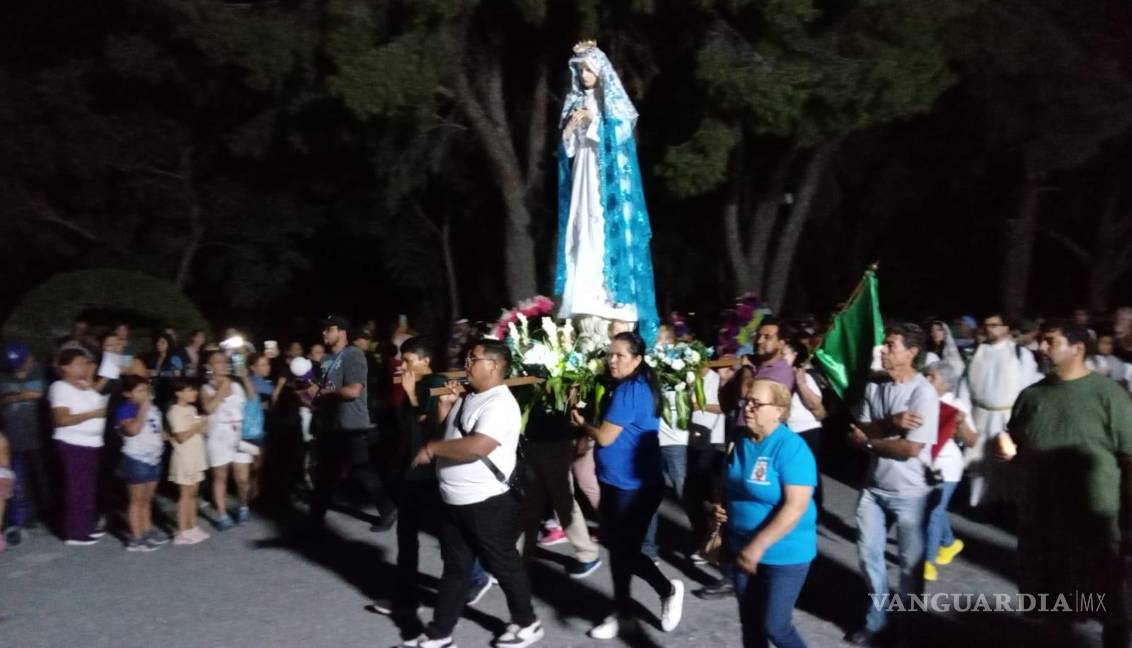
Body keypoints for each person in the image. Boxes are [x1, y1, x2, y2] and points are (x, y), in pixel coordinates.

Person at [997, 321, 1132, 647]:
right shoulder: (1031, 396)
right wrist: (1010, 455)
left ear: (1077, 348)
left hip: (1095, 520)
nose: (1041, 347)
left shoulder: (1108, 394)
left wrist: (1128, 520)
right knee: (1054, 605)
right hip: (1043, 518)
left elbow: (1129, 457)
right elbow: (1020, 447)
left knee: (1109, 602)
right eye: (1041, 340)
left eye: (1050, 341)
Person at [403, 339, 544, 648]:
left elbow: (478, 446)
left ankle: (526, 622)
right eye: (467, 357)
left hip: (487, 502)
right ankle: (440, 633)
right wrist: (444, 408)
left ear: (493, 365)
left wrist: (432, 449)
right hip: (455, 499)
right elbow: (447, 434)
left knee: (504, 564)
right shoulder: (470, 395)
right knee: (456, 567)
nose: (466, 363)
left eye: (473, 358)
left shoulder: (500, 403)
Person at [570, 331, 684, 639]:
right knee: (620, 551)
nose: (612, 360)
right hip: (616, 482)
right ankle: (623, 612)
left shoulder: (630, 390)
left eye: (620, 355)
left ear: (638, 359)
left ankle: (665, 590)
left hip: (633, 487)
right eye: (610, 354)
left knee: (624, 552)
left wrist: (582, 425)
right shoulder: (627, 386)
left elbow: (606, 437)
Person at [554, 40, 660, 344]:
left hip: (606, 182)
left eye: (588, 69)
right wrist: (571, 130)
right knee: (582, 231)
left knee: (601, 230)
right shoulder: (576, 103)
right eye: (580, 70)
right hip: (583, 175)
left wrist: (594, 122)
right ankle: (583, 304)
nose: (584, 75)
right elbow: (567, 149)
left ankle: (609, 300)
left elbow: (620, 142)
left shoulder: (612, 105)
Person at [846, 323, 939, 646]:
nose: (883, 350)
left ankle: (909, 630)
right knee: (869, 558)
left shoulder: (922, 392)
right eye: (884, 344)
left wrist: (870, 443)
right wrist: (892, 424)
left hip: (911, 493)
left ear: (912, 353)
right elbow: (859, 429)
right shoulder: (875, 385)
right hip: (874, 489)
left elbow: (910, 449)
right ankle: (877, 622)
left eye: (890, 345)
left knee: (911, 569)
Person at [714, 379, 817, 648]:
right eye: (746, 401)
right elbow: (729, 484)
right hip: (740, 547)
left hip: (785, 553)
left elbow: (796, 506)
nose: (747, 408)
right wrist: (720, 508)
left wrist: (757, 546)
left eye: (756, 403)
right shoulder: (739, 439)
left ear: (779, 410)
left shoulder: (792, 448)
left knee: (775, 625)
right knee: (750, 624)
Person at [308, 315, 396, 533]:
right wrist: (310, 393)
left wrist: (324, 393)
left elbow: (353, 391)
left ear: (342, 331)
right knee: (326, 474)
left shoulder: (354, 355)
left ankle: (388, 510)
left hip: (352, 424)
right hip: (331, 425)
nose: (324, 333)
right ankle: (313, 523)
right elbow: (323, 391)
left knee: (362, 470)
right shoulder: (326, 359)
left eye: (329, 329)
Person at [957, 313, 1041, 507]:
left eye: (994, 325)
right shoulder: (977, 352)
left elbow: (1030, 388)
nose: (989, 329)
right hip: (980, 416)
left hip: (1007, 417)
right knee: (980, 466)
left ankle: (1007, 505)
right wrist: (964, 419)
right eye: (986, 325)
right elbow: (965, 388)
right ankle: (979, 505)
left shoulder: (1020, 354)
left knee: (1008, 465)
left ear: (1006, 328)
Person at [518, 402, 602, 578]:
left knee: (563, 499)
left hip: (557, 440)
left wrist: (583, 436)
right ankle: (519, 555)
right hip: (531, 438)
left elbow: (582, 401)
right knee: (529, 500)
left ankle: (587, 553)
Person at [921, 362, 978, 582]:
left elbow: (972, 440)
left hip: (947, 466)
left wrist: (961, 424)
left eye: (931, 377)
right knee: (936, 508)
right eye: (925, 376)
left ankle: (926, 561)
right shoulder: (920, 399)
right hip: (923, 462)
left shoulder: (957, 405)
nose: (926, 381)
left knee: (933, 512)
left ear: (946, 383)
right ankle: (949, 542)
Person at [49, 349, 110, 545]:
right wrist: (93, 415)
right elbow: (62, 419)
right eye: (80, 363)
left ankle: (87, 525)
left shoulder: (85, 385)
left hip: (91, 443)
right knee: (77, 488)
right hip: (73, 443)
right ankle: (74, 532)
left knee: (87, 488)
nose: (84, 366)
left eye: (86, 363)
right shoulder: (60, 387)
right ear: (66, 367)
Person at [1, 341, 50, 546]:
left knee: (43, 477)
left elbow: (45, 395)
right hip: (14, 437)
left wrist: (16, 397)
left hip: (38, 435)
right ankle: (20, 518)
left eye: (21, 363)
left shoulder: (41, 371)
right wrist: (25, 395)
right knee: (17, 480)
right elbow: (2, 399)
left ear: (29, 357)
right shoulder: (4, 374)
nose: (19, 367)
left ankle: (47, 514)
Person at [114, 375, 166, 551]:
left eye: (146, 390)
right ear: (128, 393)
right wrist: (142, 409)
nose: (145, 394)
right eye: (140, 391)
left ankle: (147, 530)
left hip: (154, 458)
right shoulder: (126, 409)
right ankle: (136, 538)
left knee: (147, 499)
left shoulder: (154, 409)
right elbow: (133, 430)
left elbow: (158, 431)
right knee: (136, 500)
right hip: (136, 459)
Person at [201, 350, 250, 530]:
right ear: (209, 367)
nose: (222, 364)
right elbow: (209, 408)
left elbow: (249, 402)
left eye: (224, 361)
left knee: (242, 479)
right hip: (218, 438)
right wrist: (222, 387)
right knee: (220, 477)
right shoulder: (205, 388)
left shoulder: (237, 386)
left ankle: (244, 505)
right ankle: (222, 515)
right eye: (217, 361)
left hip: (239, 437)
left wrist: (244, 379)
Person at [782, 338, 826, 509]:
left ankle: (815, 508)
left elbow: (816, 405)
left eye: (784, 354)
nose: (781, 358)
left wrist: (800, 382)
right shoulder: (778, 375)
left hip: (807, 430)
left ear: (795, 356)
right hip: (788, 430)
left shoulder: (806, 376)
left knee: (809, 472)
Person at [167, 378, 209, 545]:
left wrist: (203, 424)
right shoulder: (174, 411)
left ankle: (192, 526)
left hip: (196, 456)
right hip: (184, 458)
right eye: (190, 390)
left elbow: (201, 431)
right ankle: (182, 530)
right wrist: (196, 427)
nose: (195, 393)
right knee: (185, 495)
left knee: (193, 494)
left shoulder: (192, 408)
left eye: (195, 390)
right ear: (178, 393)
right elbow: (181, 436)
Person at [753, 318, 795, 391]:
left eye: (767, 337)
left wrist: (746, 370)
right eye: (758, 336)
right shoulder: (754, 362)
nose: (759, 341)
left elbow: (749, 395)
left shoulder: (781, 374)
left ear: (781, 343)